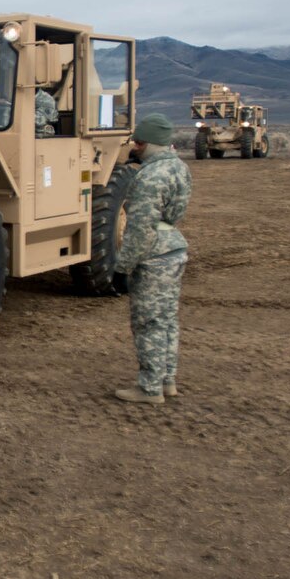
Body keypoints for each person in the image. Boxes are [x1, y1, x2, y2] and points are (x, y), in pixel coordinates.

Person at [110, 114, 191, 404]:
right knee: (167, 319)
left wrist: (123, 267)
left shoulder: (149, 178)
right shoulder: (178, 168)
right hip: (173, 249)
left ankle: (149, 388)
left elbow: (139, 228)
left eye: (138, 142)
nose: (135, 147)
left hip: (153, 256)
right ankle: (167, 380)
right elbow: (174, 213)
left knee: (148, 323)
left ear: (146, 143)